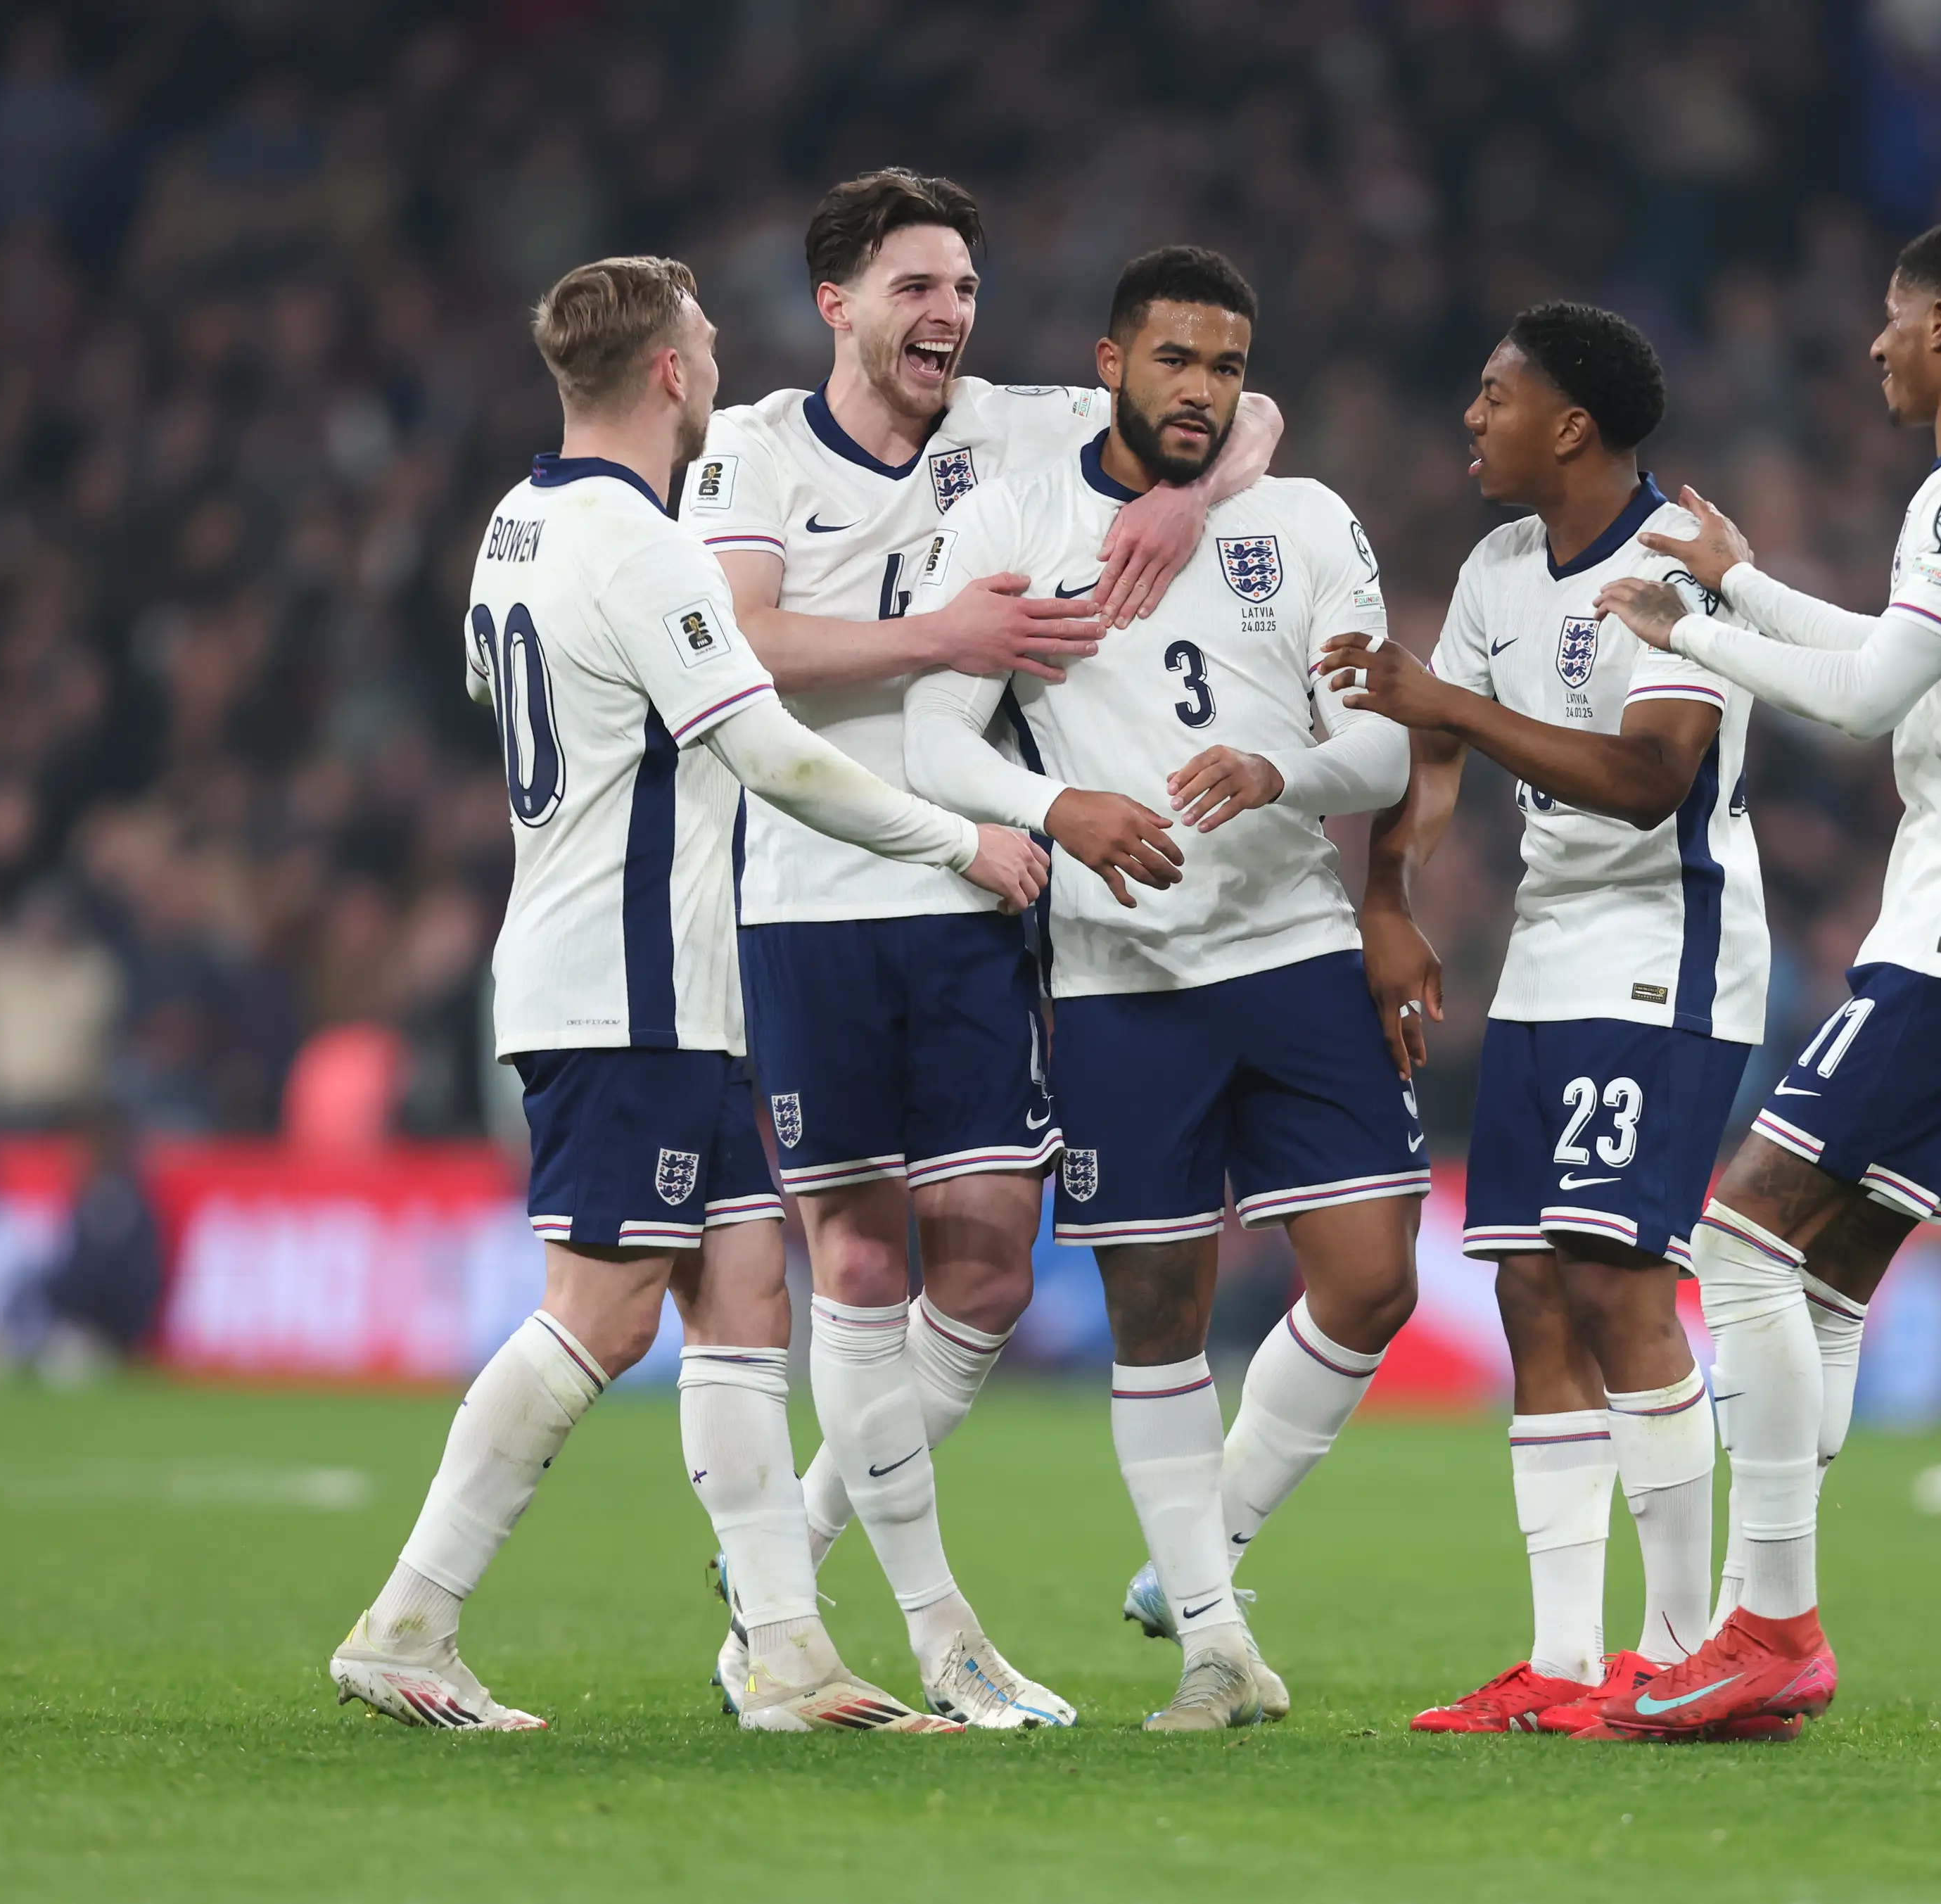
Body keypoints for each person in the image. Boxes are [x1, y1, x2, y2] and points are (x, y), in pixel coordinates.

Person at [328, 255, 1045, 1736]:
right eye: (707, 338)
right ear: (669, 373)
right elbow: (771, 752)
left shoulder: (516, 523)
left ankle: (785, 1652)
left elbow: (495, 691)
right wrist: (958, 837)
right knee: (598, 1316)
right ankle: (409, 1620)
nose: (721, 357)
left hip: (645, 978)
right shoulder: (645, 549)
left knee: (741, 1294)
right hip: (628, 985)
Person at [683, 170, 1282, 1730]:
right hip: (810, 898)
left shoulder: (1010, 429)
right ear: (838, 304)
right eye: (915, 287)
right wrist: (941, 644)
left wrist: (1180, 498)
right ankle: (935, 1634)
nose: (948, 313)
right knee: (864, 1264)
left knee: (996, 1267)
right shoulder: (751, 450)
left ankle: (786, 1565)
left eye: (962, 286)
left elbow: (1251, 413)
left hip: (969, 898)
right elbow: (742, 641)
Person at [1591, 216, 1941, 1739]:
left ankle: (1770, 1627)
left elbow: (1873, 697)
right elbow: (1908, 654)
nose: (1874, 344)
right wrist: (1743, 582)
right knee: (1819, 1283)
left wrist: (1693, 633)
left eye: (1891, 317)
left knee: (1739, 1237)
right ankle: (1756, 1632)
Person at [902, 246, 1421, 1731]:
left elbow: (1381, 746)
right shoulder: (1017, 513)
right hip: (1121, 970)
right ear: (1112, 359)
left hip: (1295, 945)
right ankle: (1213, 1647)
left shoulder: (1303, 518)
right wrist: (1056, 814)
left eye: (1230, 369)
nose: (1204, 392)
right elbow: (939, 738)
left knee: (1375, 1276)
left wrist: (1290, 769)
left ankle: (1217, 1541)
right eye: (1178, 361)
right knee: (1157, 1308)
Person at [1319, 303, 1778, 1739]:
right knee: (1530, 1289)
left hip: (1667, 947)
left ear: (1571, 424)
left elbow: (1649, 778)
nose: (1471, 415)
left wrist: (1448, 696)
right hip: (1549, 956)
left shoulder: (1677, 570)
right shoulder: (1501, 567)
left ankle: (1686, 1649)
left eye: (1495, 394)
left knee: (1620, 1283)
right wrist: (1392, 891)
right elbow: (1438, 749)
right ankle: (1566, 1662)